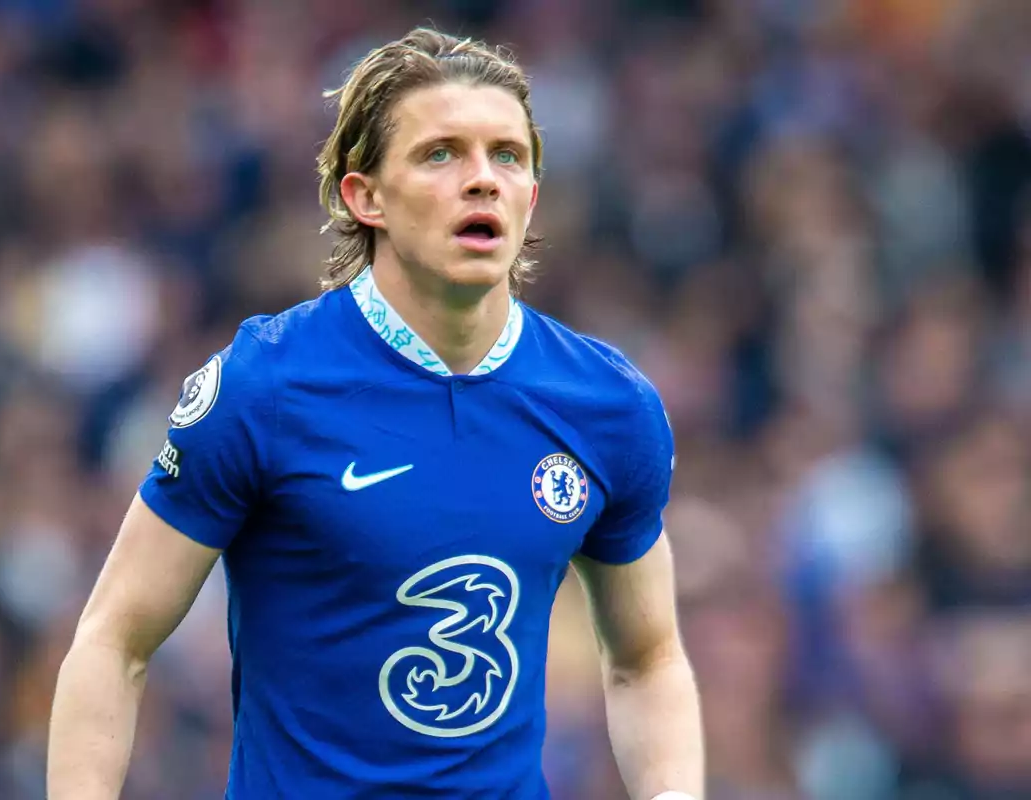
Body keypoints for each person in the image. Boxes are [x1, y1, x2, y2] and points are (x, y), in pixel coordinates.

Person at [47, 27, 704, 800]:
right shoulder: (268, 387)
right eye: (440, 154)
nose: (482, 179)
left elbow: (647, 659)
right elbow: (114, 640)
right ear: (366, 198)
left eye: (507, 156)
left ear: (532, 195)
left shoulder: (609, 408)